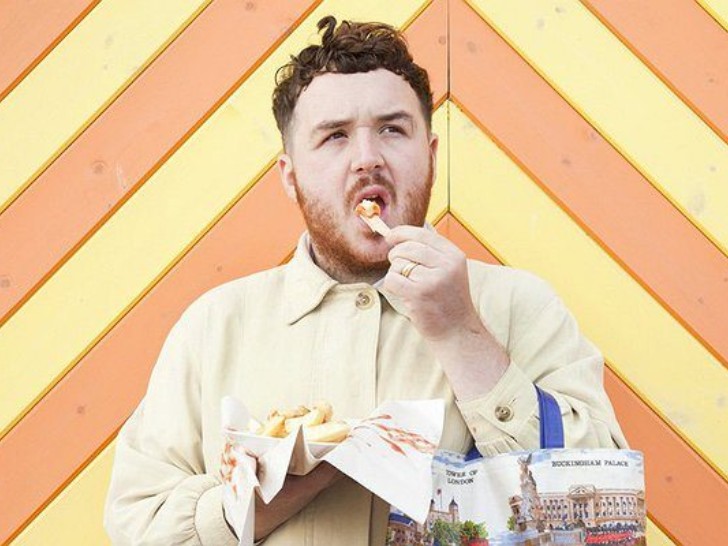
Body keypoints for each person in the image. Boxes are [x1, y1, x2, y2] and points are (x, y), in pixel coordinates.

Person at [104, 16, 626, 545]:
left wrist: (459, 331)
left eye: (393, 129)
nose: (367, 159)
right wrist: (274, 493)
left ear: (431, 154)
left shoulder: (521, 306)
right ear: (291, 176)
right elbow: (136, 528)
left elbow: (596, 518)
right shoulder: (213, 326)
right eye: (334, 137)